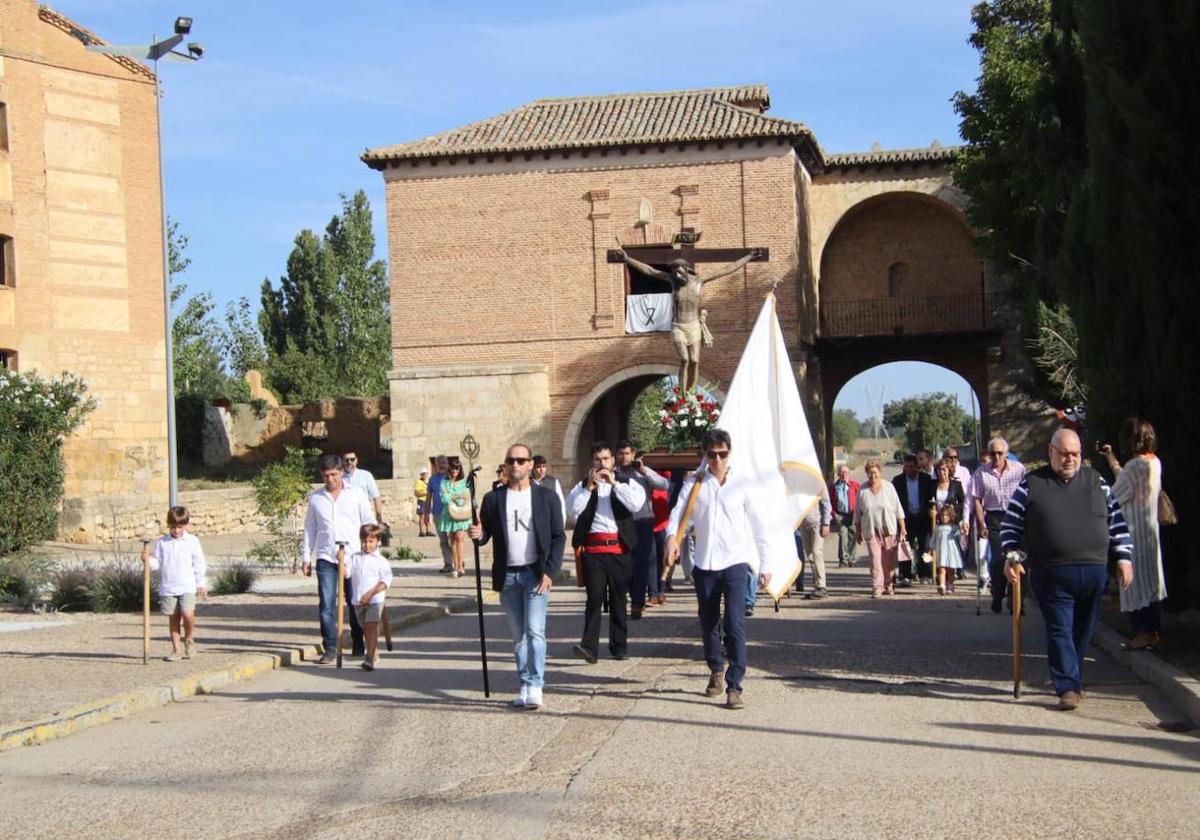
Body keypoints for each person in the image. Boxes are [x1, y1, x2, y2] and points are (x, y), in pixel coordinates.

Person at [1001, 428, 1133, 711]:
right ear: (1051, 452)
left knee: (1083, 630)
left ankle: (1072, 675)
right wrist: (1012, 557)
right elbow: (1011, 526)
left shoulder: (1097, 481)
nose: (1069, 459)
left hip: (1094, 570)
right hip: (1052, 574)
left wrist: (1124, 558)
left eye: (1075, 454)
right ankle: (1068, 687)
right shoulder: (1031, 484)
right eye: (1063, 454)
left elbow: (1117, 523)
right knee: (1060, 629)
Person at [665, 429, 772, 710]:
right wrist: (671, 541)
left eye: (722, 454)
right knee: (709, 622)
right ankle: (716, 669)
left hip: (736, 563)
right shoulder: (695, 484)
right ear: (705, 455)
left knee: (735, 623)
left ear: (729, 453)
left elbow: (761, 525)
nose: (717, 460)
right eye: (711, 455)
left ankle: (735, 685)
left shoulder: (743, 484)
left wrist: (766, 563)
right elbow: (679, 515)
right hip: (706, 563)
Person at [469, 443, 566, 710]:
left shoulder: (547, 497)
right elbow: (486, 533)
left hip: (536, 573)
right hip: (508, 575)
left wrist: (550, 571)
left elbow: (558, 537)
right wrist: (478, 536)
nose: (516, 465)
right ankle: (524, 682)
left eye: (521, 460)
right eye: (511, 460)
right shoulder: (494, 498)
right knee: (518, 636)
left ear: (531, 465)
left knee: (535, 631)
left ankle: (536, 684)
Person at [614, 246, 761, 392]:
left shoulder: (699, 280)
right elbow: (650, 271)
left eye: (679, 271)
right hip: (678, 326)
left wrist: (748, 257)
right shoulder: (672, 281)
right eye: (674, 271)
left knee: (695, 361)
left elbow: (727, 270)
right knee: (684, 359)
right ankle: (682, 394)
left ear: (686, 269)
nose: (676, 275)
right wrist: (627, 259)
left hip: (693, 325)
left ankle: (691, 394)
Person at [567, 441, 646, 664]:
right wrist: (587, 489)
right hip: (594, 552)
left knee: (619, 599)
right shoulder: (582, 487)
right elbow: (572, 511)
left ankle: (619, 646)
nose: (602, 463)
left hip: (619, 551)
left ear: (613, 461)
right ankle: (589, 648)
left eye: (605, 459)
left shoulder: (627, 483)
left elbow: (636, 505)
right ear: (592, 462)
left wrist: (614, 484)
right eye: (597, 459)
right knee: (594, 599)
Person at [301, 454, 376, 662]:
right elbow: (310, 528)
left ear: (342, 472)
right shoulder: (316, 498)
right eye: (326, 476)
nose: (330, 479)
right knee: (326, 604)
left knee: (355, 602)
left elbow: (368, 521)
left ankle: (358, 641)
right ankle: (331, 646)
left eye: (334, 474)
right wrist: (306, 556)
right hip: (326, 556)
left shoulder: (356, 494)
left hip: (353, 555)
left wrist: (371, 549)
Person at [1102, 418, 1168, 650]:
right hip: (1150, 531)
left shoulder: (1135, 466)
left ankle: (1143, 632)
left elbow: (1115, 495)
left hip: (1133, 534)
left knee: (1134, 584)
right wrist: (1111, 459)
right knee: (1150, 584)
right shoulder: (1154, 462)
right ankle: (1153, 631)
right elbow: (1127, 479)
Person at [141, 505, 207, 661]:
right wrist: (147, 560)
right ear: (168, 525)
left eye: (180, 526)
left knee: (188, 614)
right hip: (169, 587)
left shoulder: (192, 541)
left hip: (187, 585)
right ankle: (176, 649)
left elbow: (199, 563)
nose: (176, 530)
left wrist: (201, 583)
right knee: (174, 618)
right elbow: (156, 563)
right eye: (173, 527)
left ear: (185, 525)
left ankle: (189, 638)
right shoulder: (162, 543)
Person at [614, 439, 669, 616]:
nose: (624, 457)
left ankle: (637, 602)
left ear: (633, 454)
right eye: (621, 453)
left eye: (627, 453)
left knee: (642, 564)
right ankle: (627, 597)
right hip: (621, 524)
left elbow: (664, 485)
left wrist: (644, 471)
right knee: (624, 565)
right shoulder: (613, 474)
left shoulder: (642, 472)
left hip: (643, 522)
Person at [972, 436, 1027, 614]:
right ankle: (997, 592)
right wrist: (981, 523)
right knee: (998, 559)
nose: (996, 457)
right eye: (993, 453)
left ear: (1006, 453)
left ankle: (1016, 600)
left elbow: (1027, 493)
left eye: (1000, 453)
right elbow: (977, 499)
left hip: (1015, 516)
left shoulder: (1019, 470)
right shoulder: (981, 473)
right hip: (994, 517)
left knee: (1017, 558)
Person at [854, 460, 907, 598]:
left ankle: (889, 584)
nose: (873, 476)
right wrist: (858, 532)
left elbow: (898, 509)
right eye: (870, 473)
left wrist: (903, 528)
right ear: (867, 474)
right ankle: (877, 586)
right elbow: (858, 513)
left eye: (875, 473)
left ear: (880, 473)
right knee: (875, 559)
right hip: (871, 530)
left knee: (888, 561)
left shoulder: (889, 487)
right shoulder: (863, 490)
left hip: (888, 529)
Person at [344, 523, 393, 671]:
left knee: (371, 626)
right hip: (358, 600)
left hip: (375, 600)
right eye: (364, 541)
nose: (367, 545)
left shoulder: (381, 561)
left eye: (371, 541)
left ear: (378, 542)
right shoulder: (354, 558)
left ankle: (369, 658)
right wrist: (341, 561)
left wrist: (371, 593)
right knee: (365, 628)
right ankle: (374, 650)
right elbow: (346, 574)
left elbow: (385, 582)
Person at [892, 454, 935, 584]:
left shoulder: (926, 479)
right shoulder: (898, 481)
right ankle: (906, 574)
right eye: (907, 466)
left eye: (912, 466)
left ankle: (925, 574)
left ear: (917, 466)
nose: (909, 469)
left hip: (922, 518)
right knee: (905, 546)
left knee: (925, 547)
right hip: (906, 518)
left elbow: (931, 498)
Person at [795, 483, 832, 599]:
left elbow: (826, 502)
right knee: (810, 555)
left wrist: (826, 523)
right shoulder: (798, 483)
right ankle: (817, 586)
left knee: (816, 552)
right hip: (803, 524)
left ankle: (822, 586)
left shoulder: (818, 482)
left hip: (817, 523)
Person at [438, 458, 472, 578]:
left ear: (460, 469)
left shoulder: (464, 482)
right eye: (452, 468)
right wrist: (456, 497)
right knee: (452, 538)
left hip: (461, 513)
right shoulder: (444, 483)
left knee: (460, 537)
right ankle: (456, 565)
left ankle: (461, 566)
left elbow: (466, 496)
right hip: (449, 513)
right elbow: (444, 498)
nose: (454, 471)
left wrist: (453, 497)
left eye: (457, 468)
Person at [829, 465, 859, 568]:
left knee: (852, 536)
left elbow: (859, 500)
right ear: (838, 474)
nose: (844, 474)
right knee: (842, 536)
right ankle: (843, 559)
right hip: (840, 515)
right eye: (841, 472)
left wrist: (858, 514)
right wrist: (834, 515)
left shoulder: (854, 485)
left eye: (846, 472)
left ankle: (852, 559)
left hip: (852, 515)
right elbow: (830, 503)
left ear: (849, 474)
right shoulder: (834, 487)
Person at [428, 456, 454, 572]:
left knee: (454, 538)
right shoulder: (432, 479)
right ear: (436, 465)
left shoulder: (452, 477)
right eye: (439, 463)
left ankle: (457, 561)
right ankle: (448, 563)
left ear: (447, 464)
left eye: (444, 462)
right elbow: (428, 497)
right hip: (438, 514)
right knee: (443, 540)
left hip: (452, 513)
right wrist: (425, 514)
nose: (442, 465)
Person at [931, 504, 964, 594]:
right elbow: (933, 539)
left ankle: (950, 584)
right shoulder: (937, 528)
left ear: (951, 516)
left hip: (951, 552)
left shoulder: (954, 528)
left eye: (946, 515)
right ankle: (942, 585)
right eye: (942, 515)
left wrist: (962, 532)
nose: (944, 517)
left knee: (951, 570)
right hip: (941, 551)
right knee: (942, 569)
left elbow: (960, 538)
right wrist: (930, 549)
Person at [343, 450, 383, 523]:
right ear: (343, 461)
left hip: (364, 516)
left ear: (356, 460)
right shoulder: (339, 478)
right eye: (346, 460)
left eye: (352, 459)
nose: (349, 462)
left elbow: (376, 496)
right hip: (346, 517)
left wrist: (379, 518)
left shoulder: (366, 475)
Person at [414, 468, 432, 537]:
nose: (425, 475)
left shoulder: (428, 481)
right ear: (421, 474)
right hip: (421, 501)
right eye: (423, 473)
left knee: (428, 516)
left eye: (426, 473)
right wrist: (426, 493)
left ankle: (428, 530)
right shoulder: (418, 482)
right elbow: (416, 492)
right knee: (422, 516)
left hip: (428, 501)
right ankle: (421, 531)